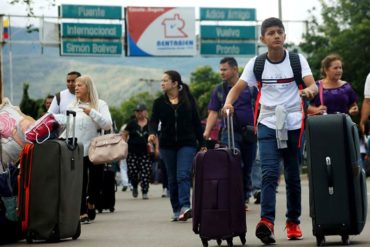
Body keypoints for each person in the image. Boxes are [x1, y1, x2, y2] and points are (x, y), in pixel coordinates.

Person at [221, 17, 318, 244]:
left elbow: (312, 84)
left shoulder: (297, 60)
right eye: (271, 32)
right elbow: (237, 89)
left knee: (293, 175)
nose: (276, 36)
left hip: (294, 122)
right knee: (269, 173)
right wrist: (228, 103)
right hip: (267, 122)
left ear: (284, 36)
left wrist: (309, 91)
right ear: (262, 38)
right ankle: (267, 223)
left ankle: (293, 223)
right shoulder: (257, 64)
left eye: (280, 32)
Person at [55, 75, 112, 223]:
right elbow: (67, 125)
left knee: (96, 181)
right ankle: (81, 211)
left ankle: (91, 203)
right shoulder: (72, 106)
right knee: (79, 181)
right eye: (76, 85)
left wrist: (91, 112)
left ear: (88, 87)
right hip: (76, 149)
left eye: (80, 85)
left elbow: (107, 125)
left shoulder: (100, 104)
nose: (76, 87)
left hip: (95, 149)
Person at [148, 70, 204, 222]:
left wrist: (202, 143)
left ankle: (185, 206)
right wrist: (152, 133)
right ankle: (176, 209)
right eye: (162, 80)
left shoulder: (189, 99)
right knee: (172, 179)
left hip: (187, 143)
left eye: (165, 80)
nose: (162, 83)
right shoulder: (159, 102)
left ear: (175, 83)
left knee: (183, 175)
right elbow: (153, 121)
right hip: (167, 145)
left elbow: (196, 123)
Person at [203, 57, 257, 210]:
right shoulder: (219, 90)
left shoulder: (250, 88)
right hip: (229, 132)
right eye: (220, 69)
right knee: (233, 163)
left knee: (247, 166)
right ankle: (235, 197)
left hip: (249, 133)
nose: (221, 73)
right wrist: (207, 132)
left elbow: (259, 107)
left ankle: (244, 197)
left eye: (224, 69)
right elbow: (213, 112)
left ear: (235, 69)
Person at [122, 103, 153, 200]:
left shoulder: (150, 123)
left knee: (146, 172)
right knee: (132, 172)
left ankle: (145, 191)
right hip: (132, 152)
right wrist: (123, 145)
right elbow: (125, 134)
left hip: (145, 152)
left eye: (141, 111)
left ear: (145, 112)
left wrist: (156, 148)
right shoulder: (131, 123)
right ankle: (134, 186)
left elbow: (154, 136)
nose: (139, 114)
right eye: (137, 112)